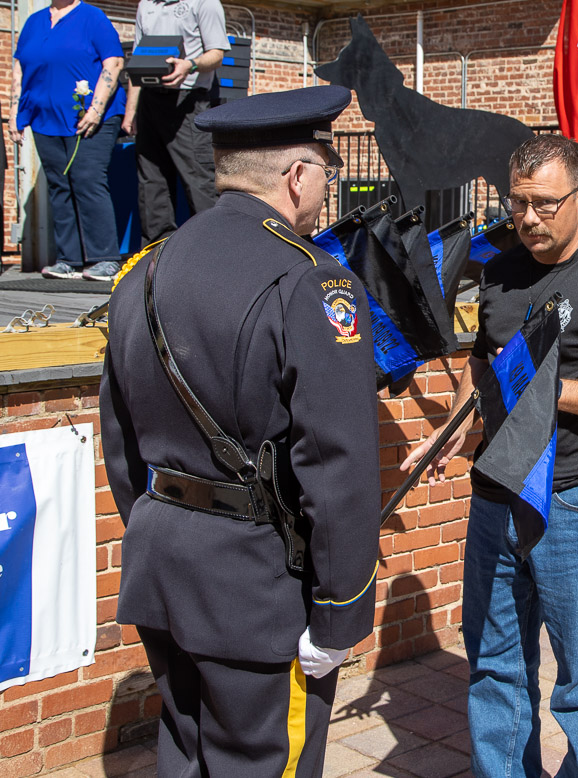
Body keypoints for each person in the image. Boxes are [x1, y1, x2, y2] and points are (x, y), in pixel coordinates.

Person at [100, 85, 381, 777]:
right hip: (258, 589)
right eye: (326, 172)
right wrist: (340, 611)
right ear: (297, 176)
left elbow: (119, 436)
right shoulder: (312, 282)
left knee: (186, 752)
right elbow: (338, 466)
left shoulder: (143, 271)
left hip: (164, 563)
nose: (327, 189)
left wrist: (166, 526)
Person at [402, 134, 578, 778]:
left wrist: (549, 389)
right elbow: (482, 361)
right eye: (518, 203)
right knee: (494, 668)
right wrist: (457, 422)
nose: (528, 218)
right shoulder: (500, 272)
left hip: (575, 503)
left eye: (545, 203)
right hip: (495, 497)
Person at [8, 0, 125, 281]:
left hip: (89, 116)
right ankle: (68, 259)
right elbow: (19, 68)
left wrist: (96, 109)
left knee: (87, 179)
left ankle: (105, 258)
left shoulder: (93, 17)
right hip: (45, 117)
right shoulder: (34, 22)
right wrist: (14, 112)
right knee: (58, 185)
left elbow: (114, 62)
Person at [122, 0, 230, 245]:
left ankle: (212, 249)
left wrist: (190, 65)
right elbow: (138, 63)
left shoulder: (204, 3)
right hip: (150, 99)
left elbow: (217, 55)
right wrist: (131, 112)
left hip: (188, 100)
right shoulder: (146, 5)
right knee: (151, 180)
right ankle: (156, 252)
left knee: (198, 180)